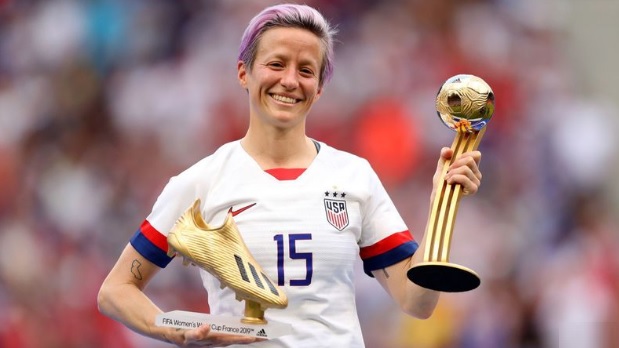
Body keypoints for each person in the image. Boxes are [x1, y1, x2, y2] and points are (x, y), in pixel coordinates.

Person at [97, 3, 483, 347]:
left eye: (306, 70)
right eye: (276, 63)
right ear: (244, 73)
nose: (290, 81)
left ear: (319, 89)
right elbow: (115, 290)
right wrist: (172, 327)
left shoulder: (353, 176)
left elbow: (417, 302)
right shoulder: (201, 182)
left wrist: (440, 205)